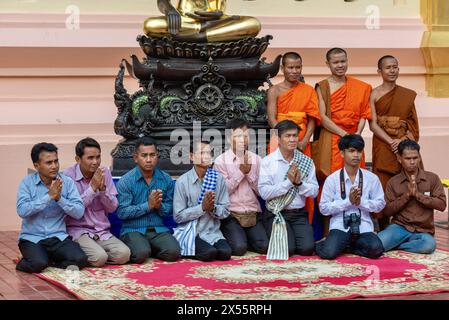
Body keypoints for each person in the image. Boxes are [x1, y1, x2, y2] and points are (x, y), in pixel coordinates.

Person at [16, 143, 88, 273]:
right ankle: (27, 260)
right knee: (38, 264)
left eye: (56, 161)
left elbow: (79, 212)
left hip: (57, 237)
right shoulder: (27, 183)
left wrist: (59, 198)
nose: (54, 166)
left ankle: (49, 261)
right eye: (49, 163)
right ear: (36, 166)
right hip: (32, 237)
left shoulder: (66, 182)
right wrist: (48, 196)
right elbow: (22, 210)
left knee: (81, 259)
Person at [369, 55, 420, 231]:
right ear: (379, 71)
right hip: (383, 143)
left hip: (403, 143)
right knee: (382, 183)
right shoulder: (374, 94)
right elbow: (373, 124)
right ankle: (383, 225)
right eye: (388, 67)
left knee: (406, 179)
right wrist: (391, 141)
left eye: (395, 67)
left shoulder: (407, 95)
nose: (392, 70)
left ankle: (407, 223)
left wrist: (402, 141)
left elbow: (412, 124)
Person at [316, 134, 385, 260]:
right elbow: (323, 208)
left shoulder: (371, 178)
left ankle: (346, 247)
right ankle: (329, 244)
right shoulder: (332, 179)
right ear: (342, 153)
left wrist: (360, 202)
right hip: (340, 226)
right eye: (352, 151)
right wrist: (348, 202)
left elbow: (380, 204)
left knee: (377, 250)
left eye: (359, 151)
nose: (356, 155)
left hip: (363, 225)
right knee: (328, 253)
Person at [64, 138, 130, 267]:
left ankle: (89, 256)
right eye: (90, 158)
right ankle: (75, 255)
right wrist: (92, 189)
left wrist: (103, 190)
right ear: (78, 159)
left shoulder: (104, 172)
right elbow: (74, 211)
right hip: (78, 230)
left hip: (101, 231)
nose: (95, 162)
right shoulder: (67, 177)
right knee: (99, 257)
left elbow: (113, 208)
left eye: (98, 157)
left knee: (124, 254)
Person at [258, 120, 319, 256]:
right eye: (288, 136)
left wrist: (299, 184)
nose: (292, 139)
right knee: (288, 249)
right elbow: (264, 193)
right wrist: (288, 183)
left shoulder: (306, 161)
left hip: (299, 215)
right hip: (277, 212)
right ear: (278, 139)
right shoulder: (268, 162)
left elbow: (314, 192)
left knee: (307, 249)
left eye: (295, 136)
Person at [116, 137, 180, 263]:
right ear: (136, 158)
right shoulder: (126, 181)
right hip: (133, 230)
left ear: (158, 156)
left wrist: (159, 206)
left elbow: (169, 210)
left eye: (152, 155)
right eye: (144, 155)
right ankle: (145, 248)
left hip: (158, 230)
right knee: (141, 254)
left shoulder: (166, 179)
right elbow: (122, 212)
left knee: (173, 252)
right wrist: (148, 205)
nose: (149, 160)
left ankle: (150, 247)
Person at [378, 140, 446, 254]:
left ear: (419, 158)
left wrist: (419, 196)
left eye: (415, 158)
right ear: (399, 159)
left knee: (429, 245)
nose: (412, 162)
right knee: (377, 243)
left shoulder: (432, 178)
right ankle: (405, 244)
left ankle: (399, 246)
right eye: (408, 159)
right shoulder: (393, 182)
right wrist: (407, 196)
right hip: (400, 227)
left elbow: (442, 205)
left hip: (423, 230)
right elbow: (387, 211)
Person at [214, 119, 268, 256]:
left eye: (246, 135)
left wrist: (249, 174)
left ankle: (244, 236)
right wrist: (240, 172)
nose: (242, 140)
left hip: (252, 213)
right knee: (239, 249)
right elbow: (222, 191)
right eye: (238, 136)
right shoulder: (220, 161)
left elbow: (262, 192)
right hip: (231, 213)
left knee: (264, 247)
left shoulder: (256, 159)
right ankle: (234, 236)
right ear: (228, 138)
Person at [315, 47, 372, 175]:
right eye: (335, 63)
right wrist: (345, 135)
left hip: (354, 135)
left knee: (356, 173)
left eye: (343, 61)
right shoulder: (323, 86)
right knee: (331, 173)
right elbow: (322, 117)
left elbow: (364, 114)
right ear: (327, 64)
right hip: (332, 136)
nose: (340, 65)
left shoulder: (361, 87)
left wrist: (357, 133)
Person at [173, 140, 232, 261]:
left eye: (209, 153)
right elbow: (178, 216)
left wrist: (213, 208)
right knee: (209, 253)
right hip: (191, 231)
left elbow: (226, 210)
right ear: (191, 156)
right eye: (201, 153)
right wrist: (202, 208)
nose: (206, 156)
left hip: (212, 232)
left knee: (225, 253)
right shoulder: (182, 182)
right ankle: (185, 246)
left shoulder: (218, 178)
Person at [267, 52, 320, 157]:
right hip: (279, 137)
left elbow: (312, 119)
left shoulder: (308, 90)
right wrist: (285, 138)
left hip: (301, 138)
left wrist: (305, 141)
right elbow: (271, 119)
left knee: (301, 171)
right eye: (290, 68)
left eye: (298, 67)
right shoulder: (274, 91)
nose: (294, 71)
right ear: (282, 68)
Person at [143, 0, 261, 42]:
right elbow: (162, 1)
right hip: (185, 20)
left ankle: (201, 36)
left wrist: (218, 16)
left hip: (219, 21)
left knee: (253, 24)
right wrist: (170, 11)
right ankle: (201, 30)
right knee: (150, 25)